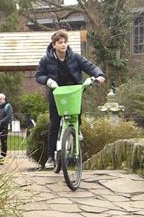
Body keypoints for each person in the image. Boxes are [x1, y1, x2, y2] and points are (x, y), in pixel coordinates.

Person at [35, 29, 106, 169]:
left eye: (65, 42)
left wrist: (99, 75)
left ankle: (76, 129)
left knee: (76, 114)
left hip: (73, 90)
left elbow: (90, 66)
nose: (63, 45)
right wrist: (48, 81)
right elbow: (39, 76)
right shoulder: (45, 59)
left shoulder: (75, 57)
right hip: (57, 93)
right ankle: (50, 156)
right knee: (54, 123)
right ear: (54, 45)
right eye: (60, 42)